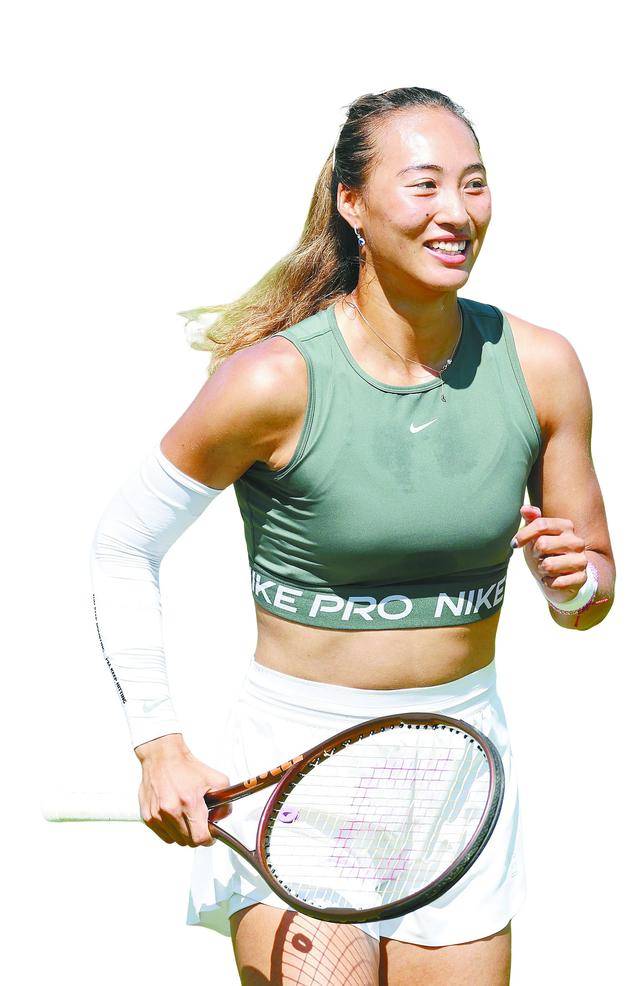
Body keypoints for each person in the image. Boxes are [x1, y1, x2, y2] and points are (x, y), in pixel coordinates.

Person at [89, 86, 615, 986]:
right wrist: (159, 746)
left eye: (474, 183)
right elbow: (122, 547)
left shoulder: (543, 367)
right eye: (425, 185)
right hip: (296, 787)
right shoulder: (271, 382)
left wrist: (577, 583)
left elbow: (591, 595)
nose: (457, 212)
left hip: (461, 788)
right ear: (353, 203)